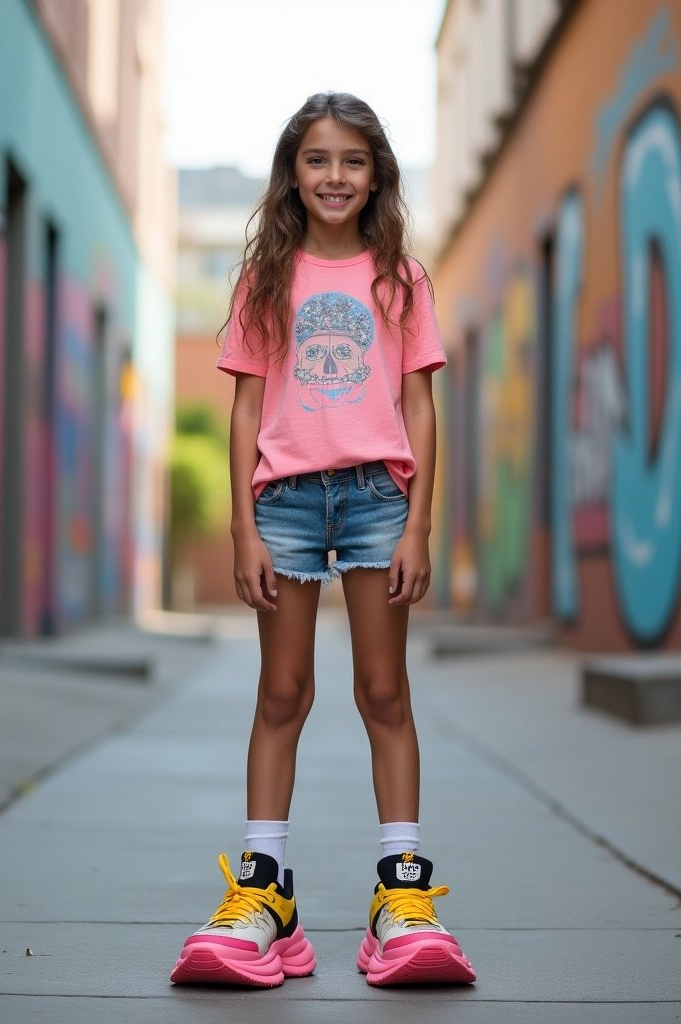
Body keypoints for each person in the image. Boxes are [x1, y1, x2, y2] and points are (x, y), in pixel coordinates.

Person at [170, 92, 476, 989]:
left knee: (384, 691)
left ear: (375, 171)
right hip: (289, 503)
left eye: (352, 160)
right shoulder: (264, 278)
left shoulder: (401, 278)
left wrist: (420, 519)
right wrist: (243, 524)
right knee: (282, 692)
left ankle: (401, 895)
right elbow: (247, 408)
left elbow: (420, 402)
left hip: (381, 498)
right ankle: (266, 894)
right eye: (317, 159)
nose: (334, 176)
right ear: (292, 172)